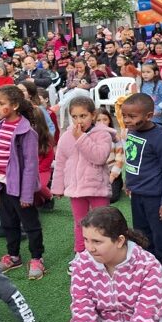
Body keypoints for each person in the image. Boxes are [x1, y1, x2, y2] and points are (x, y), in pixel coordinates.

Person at [119, 93, 162, 304]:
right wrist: (130, 181)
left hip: (157, 200)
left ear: (149, 115)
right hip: (138, 196)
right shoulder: (132, 130)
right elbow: (133, 158)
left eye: (132, 116)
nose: (127, 120)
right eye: (124, 115)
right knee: (143, 238)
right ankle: (151, 274)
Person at [69, 207, 162, 322]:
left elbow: (145, 320)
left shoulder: (149, 267)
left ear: (120, 241)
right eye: (86, 240)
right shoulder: (81, 265)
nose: (90, 248)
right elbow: (83, 314)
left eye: (97, 241)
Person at [0, 85, 45, 280]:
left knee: (30, 224)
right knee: (9, 223)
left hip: (20, 189)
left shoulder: (27, 132)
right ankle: (13, 255)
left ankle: (37, 258)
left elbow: (30, 166)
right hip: (4, 186)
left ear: (15, 105)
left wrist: (27, 194)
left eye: (1, 104)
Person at [52, 96, 113, 265]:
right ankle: (81, 253)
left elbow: (99, 157)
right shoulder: (66, 136)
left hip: (97, 187)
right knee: (80, 223)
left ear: (93, 115)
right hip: (76, 189)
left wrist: (81, 138)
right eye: (74, 116)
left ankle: (104, 253)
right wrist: (58, 187)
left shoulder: (102, 134)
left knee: (102, 222)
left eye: (83, 116)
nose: (79, 121)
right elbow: (60, 162)